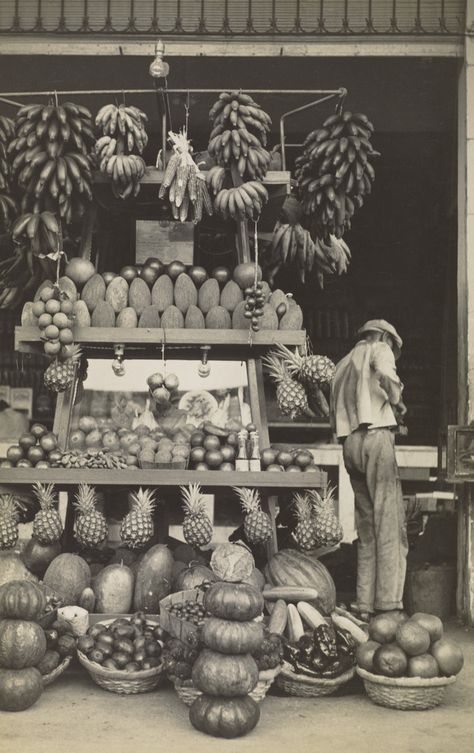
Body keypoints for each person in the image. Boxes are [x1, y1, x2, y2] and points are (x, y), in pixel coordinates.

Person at [330, 320, 408, 620]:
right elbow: (388, 375)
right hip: (376, 438)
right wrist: (397, 401)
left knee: (366, 529)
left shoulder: (342, 363)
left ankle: (365, 604)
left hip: (349, 443)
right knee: (389, 522)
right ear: (386, 336)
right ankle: (388, 605)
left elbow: (331, 407)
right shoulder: (379, 348)